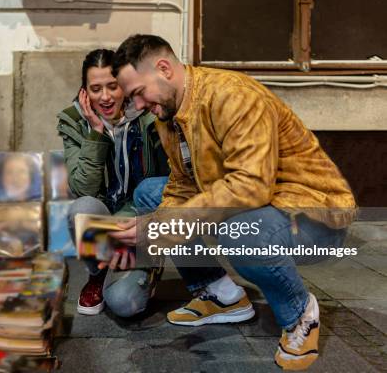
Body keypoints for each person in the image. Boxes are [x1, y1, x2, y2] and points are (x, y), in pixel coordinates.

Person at [108, 34, 356, 370]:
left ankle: (300, 314)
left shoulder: (233, 96)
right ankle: (222, 296)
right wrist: (150, 231)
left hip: (312, 217)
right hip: (263, 205)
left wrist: (160, 227)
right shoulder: (168, 112)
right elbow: (182, 185)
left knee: (240, 230)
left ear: (163, 68)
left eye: (137, 93)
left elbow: (251, 185)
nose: (136, 105)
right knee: (151, 193)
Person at [56, 48, 170, 317]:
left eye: (112, 86)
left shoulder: (150, 115)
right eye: (95, 89)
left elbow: (166, 184)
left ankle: (149, 265)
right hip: (103, 221)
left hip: (139, 221)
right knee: (81, 206)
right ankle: (98, 273)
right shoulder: (74, 121)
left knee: (125, 304)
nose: (105, 97)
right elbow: (83, 189)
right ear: (85, 91)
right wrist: (96, 133)